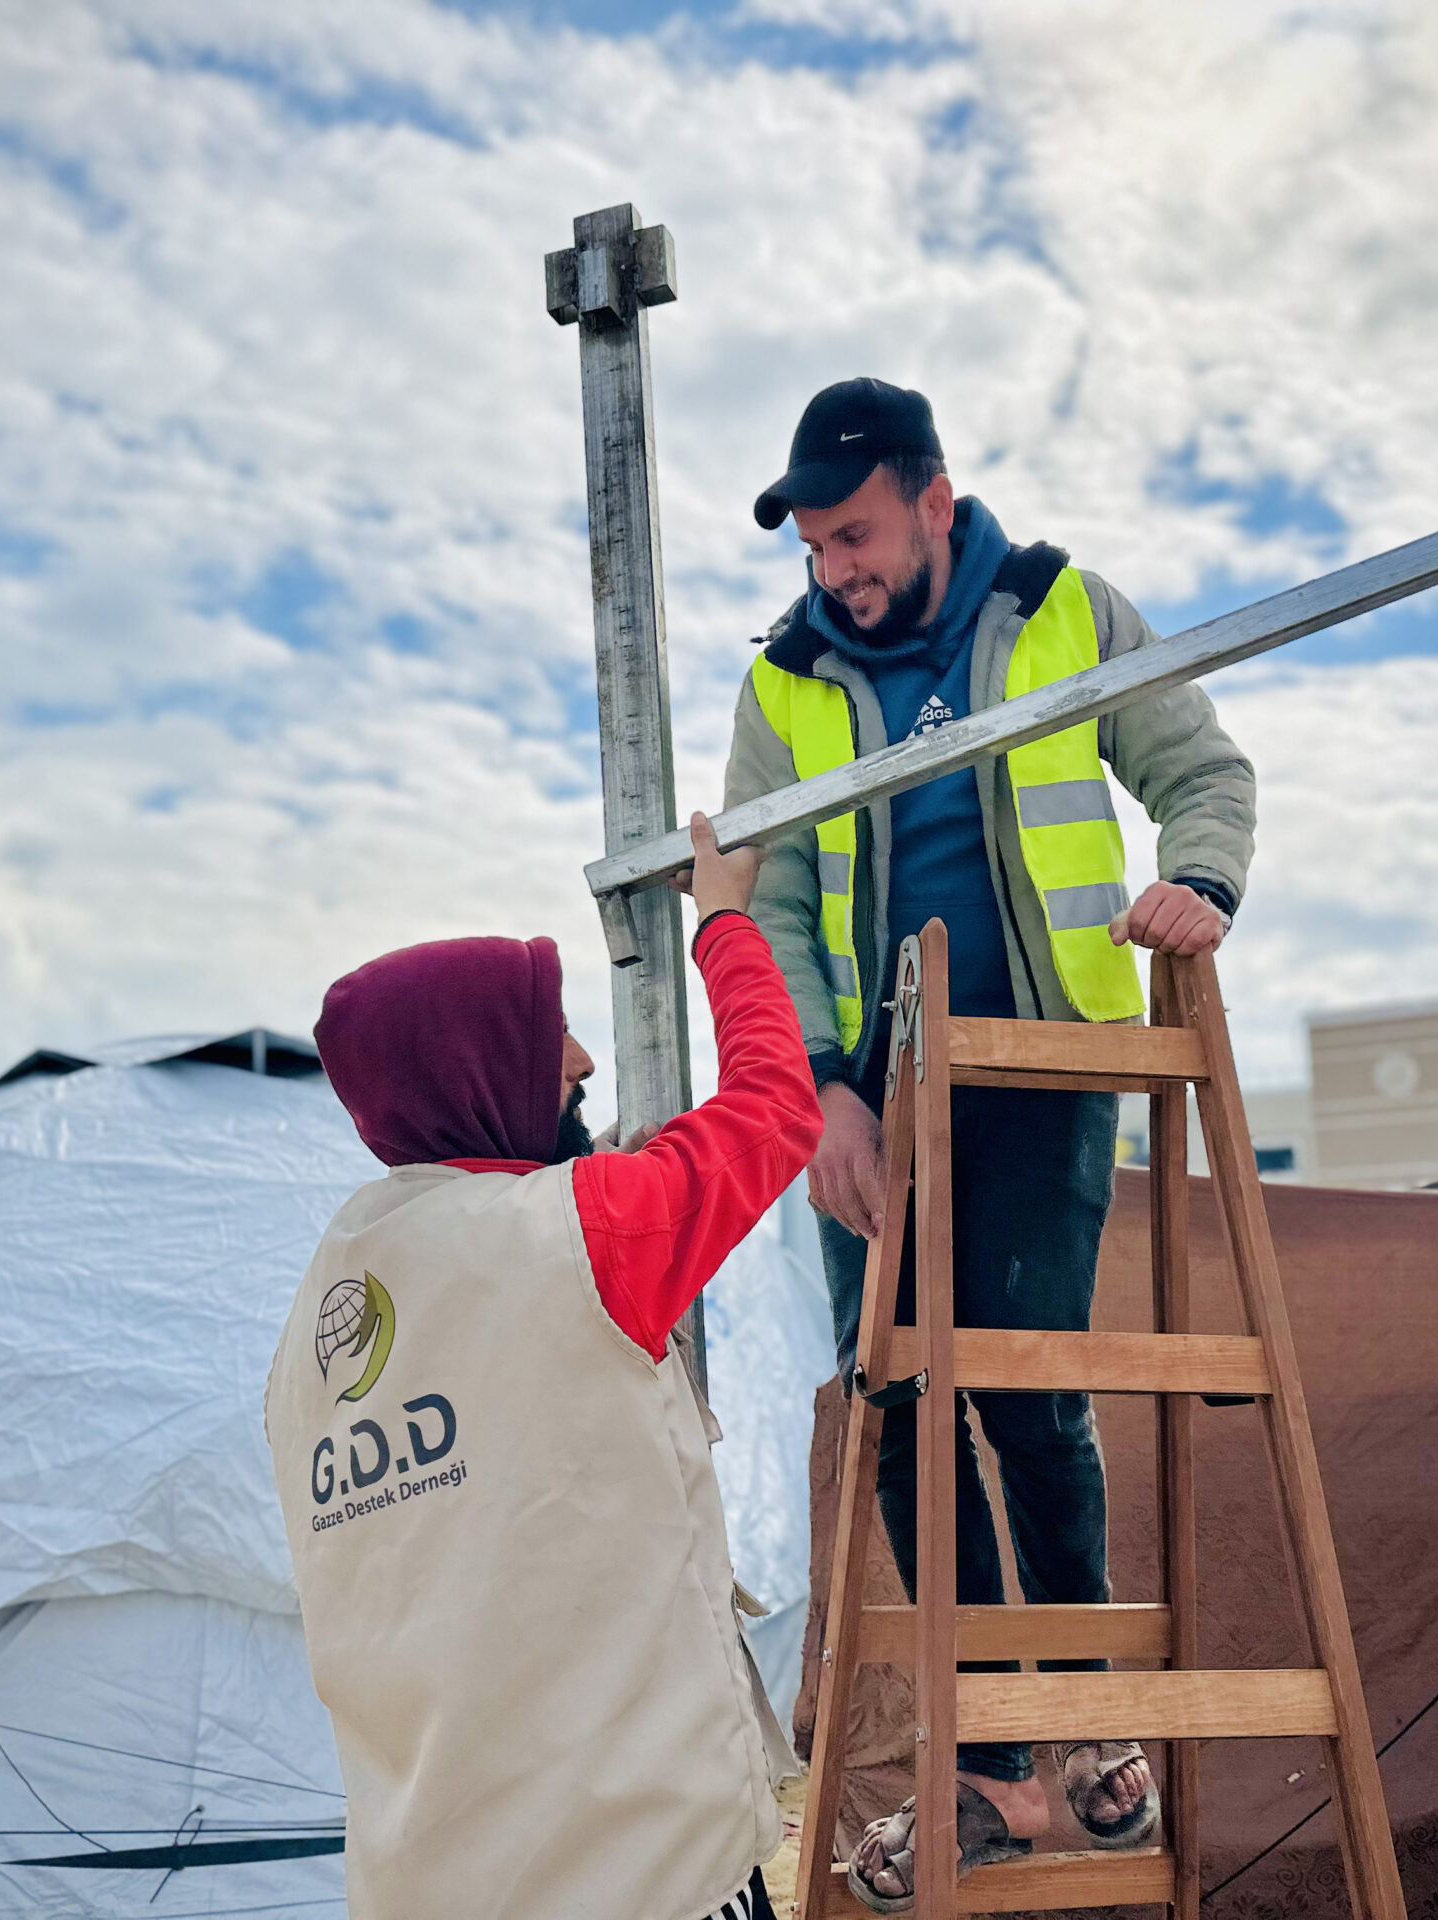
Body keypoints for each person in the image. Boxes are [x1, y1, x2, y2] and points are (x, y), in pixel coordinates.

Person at [724, 379, 1257, 1909]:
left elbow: (1203, 770)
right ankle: (985, 1764)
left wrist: (1201, 881)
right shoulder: (786, 685)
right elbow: (766, 900)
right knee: (897, 1401)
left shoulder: (1064, 609)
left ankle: (1083, 1720)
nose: (834, 568)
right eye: (816, 546)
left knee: (1027, 1384)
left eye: (855, 534)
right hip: (870, 1094)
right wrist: (820, 1094)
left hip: (1043, 1064)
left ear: (934, 502)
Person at [265, 815, 821, 1920]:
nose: (582, 1060)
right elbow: (773, 1107)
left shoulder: (312, 1331)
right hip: (644, 1880)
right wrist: (723, 921)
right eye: (548, 1034)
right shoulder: (592, 1231)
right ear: (475, 1065)